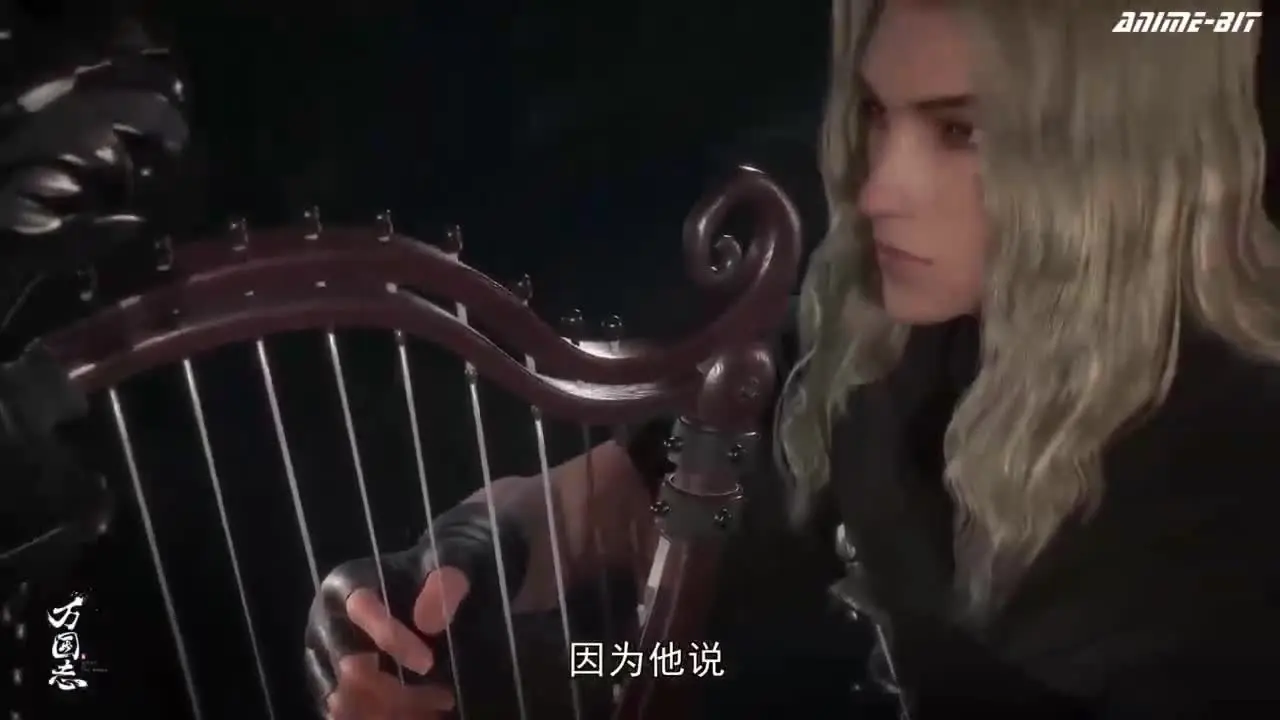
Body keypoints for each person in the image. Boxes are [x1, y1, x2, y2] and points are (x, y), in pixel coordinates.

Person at [304, 0, 1280, 717]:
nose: (877, 188)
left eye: (959, 131)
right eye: (876, 115)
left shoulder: (1231, 483)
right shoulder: (886, 337)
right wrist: (458, 574)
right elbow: (635, 532)